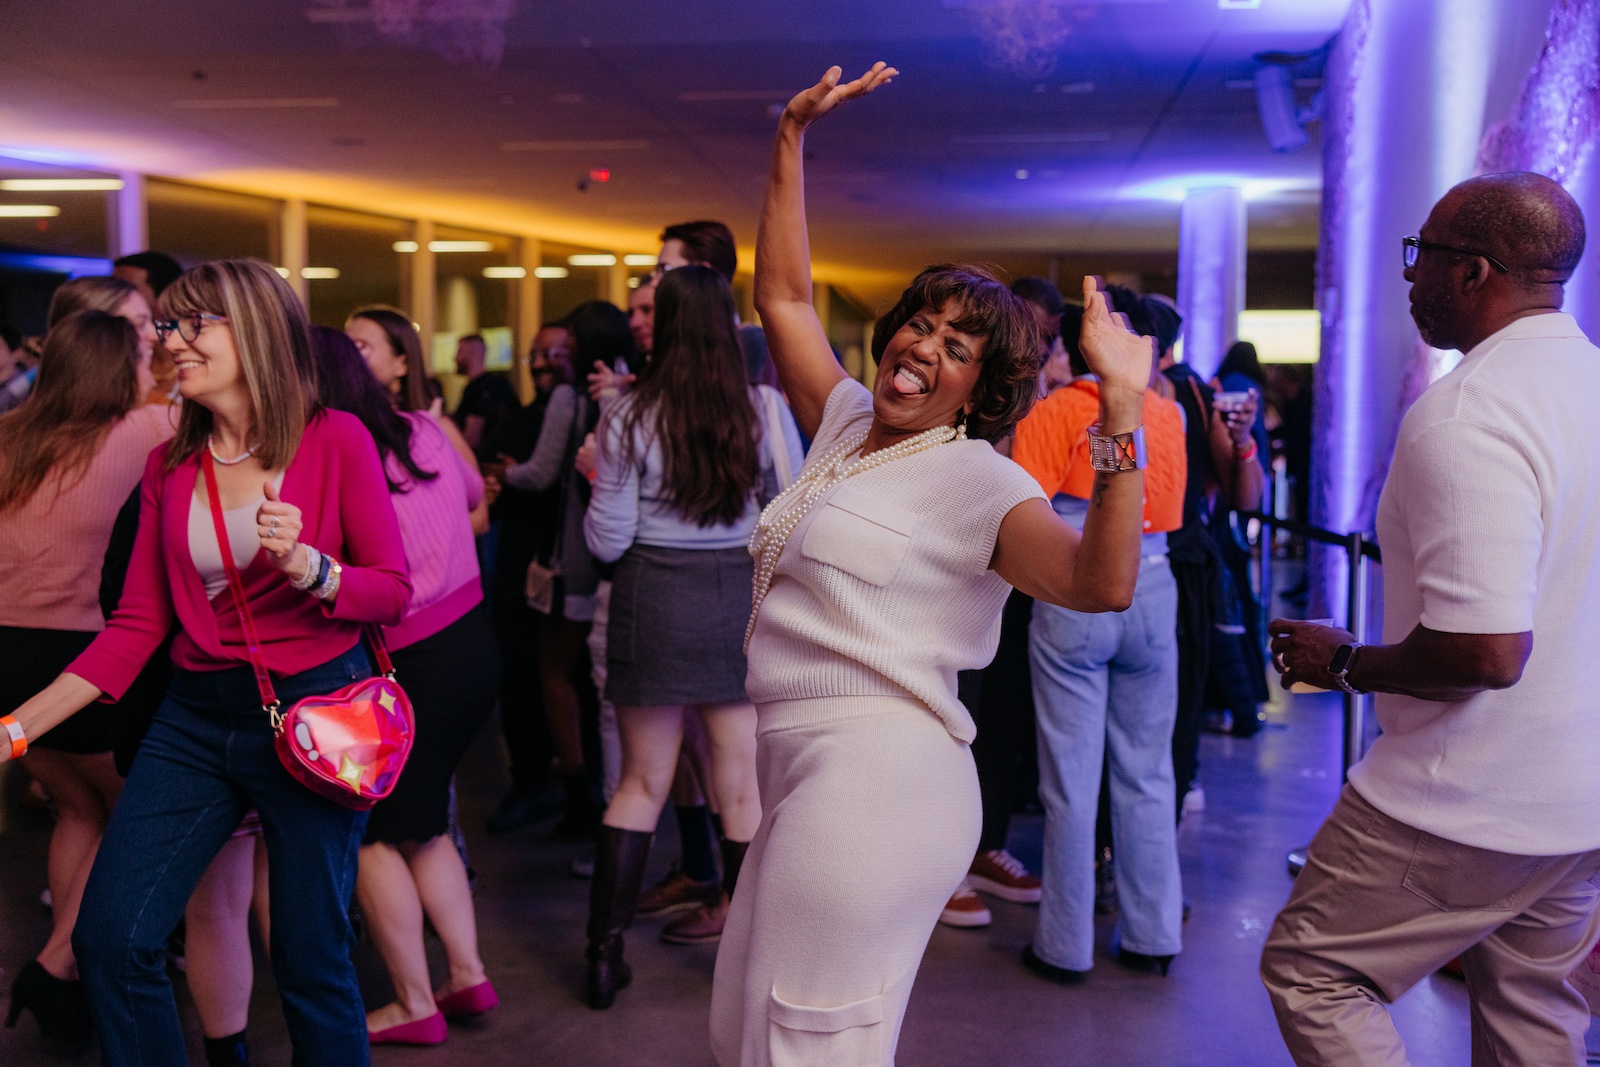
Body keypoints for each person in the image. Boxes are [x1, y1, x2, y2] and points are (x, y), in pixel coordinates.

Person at [708, 64, 1153, 1067]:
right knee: (744, 1029)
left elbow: (1100, 584)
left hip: (881, 779)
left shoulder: (980, 481)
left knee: (802, 1045)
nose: (922, 346)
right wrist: (789, 137)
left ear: (982, 387)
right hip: (800, 764)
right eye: (921, 321)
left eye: (957, 345)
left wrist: (1120, 411)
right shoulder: (845, 421)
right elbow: (782, 295)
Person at [0, 258, 411, 1066]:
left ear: (255, 331)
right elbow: (134, 627)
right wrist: (14, 730)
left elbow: (392, 591)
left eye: (193, 324)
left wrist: (313, 568)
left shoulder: (336, 437)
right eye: (168, 325)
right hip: (194, 717)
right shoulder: (170, 465)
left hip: (314, 712)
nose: (171, 342)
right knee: (112, 934)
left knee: (310, 955)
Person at [1262, 173, 1600, 1066]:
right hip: (1581, 800)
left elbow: (1485, 653)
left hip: (1465, 797)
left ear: (1472, 271)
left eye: (1421, 254)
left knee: (1312, 970)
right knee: (1535, 1018)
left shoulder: (1467, 413)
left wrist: (1345, 662)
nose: (1410, 276)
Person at [580, 264, 802, 1011]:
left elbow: (608, 542)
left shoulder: (626, 415)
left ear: (664, 327)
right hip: (733, 601)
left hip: (651, 599)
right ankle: (752, 962)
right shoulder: (761, 405)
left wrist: (594, 478)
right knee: (738, 784)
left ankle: (602, 958)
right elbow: (788, 513)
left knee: (641, 781)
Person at [311, 326, 500, 1047]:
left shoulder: (332, 454)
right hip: (474, 643)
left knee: (371, 831)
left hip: (411, 662)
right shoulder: (424, 428)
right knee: (424, 822)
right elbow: (475, 507)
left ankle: (414, 1003)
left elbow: (334, 576)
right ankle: (466, 974)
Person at [0, 309, 175, 1041]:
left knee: (78, 809)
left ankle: (67, 984)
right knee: (135, 821)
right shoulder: (145, 429)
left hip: (7, 657)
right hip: (85, 659)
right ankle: (57, 963)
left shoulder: (9, 433)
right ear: (121, 368)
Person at [1010, 300, 1190, 981]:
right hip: (1155, 583)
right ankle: (1153, 935)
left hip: (1074, 586)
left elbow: (1025, 503)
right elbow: (1167, 506)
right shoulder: (1166, 413)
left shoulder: (1054, 410)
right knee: (1149, 770)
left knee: (1070, 781)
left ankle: (1064, 945)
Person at [500, 302, 631, 840]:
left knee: (555, 675)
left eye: (567, 342)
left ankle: (580, 796)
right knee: (604, 683)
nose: (559, 353)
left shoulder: (568, 397)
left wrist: (502, 470)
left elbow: (540, 473)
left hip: (573, 553)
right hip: (621, 557)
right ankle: (609, 789)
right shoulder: (634, 392)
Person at [482, 322, 572, 833]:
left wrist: (511, 473)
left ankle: (572, 785)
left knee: (569, 682)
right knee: (518, 676)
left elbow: (534, 476)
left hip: (571, 569)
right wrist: (497, 479)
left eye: (555, 353)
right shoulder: (515, 423)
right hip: (519, 567)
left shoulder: (588, 413)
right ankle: (530, 782)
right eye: (536, 353)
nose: (542, 362)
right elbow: (486, 486)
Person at [113, 251, 185, 402]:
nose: (114, 295)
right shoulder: (117, 362)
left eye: (127, 288)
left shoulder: (193, 360)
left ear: (164, 295)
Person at [452, 334, 517, 455]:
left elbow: (472, 439)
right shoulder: (488, 386)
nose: (455, 358)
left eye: (459, 351)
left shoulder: (481, 389)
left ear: (470, 353)